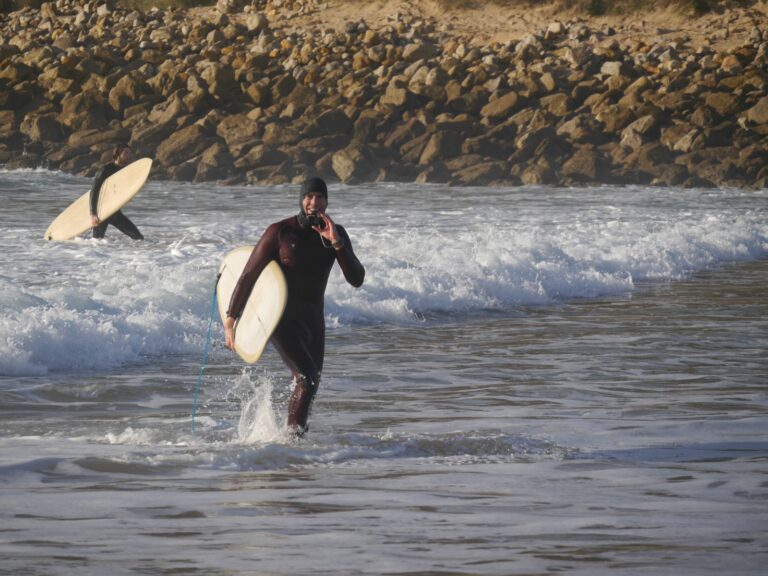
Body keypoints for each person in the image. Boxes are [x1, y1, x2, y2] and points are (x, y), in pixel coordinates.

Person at [224, 176, 365, 436]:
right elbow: (248, 276)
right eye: (309, 196)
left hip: (313, 323)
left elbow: (356, 279)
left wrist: (336, 242)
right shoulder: (280, 232)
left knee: (310, 384)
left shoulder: (336, 234)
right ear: (301, 200)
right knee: (306, 379)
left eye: (320, 197)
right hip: (280, 320)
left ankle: (291, 443)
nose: (314, 202)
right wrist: (231, 320)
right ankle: (293, 445)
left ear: (326, 201)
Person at [90, 144, 144, 240]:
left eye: (129, 153)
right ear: (118, 154)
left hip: (115, 212)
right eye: (126, 153)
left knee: (138, 237)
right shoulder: (105, 170)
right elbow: (94, 192)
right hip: (102, 213)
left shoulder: (125, 171)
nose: (128, 155)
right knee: (97, 242)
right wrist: (93, 214)